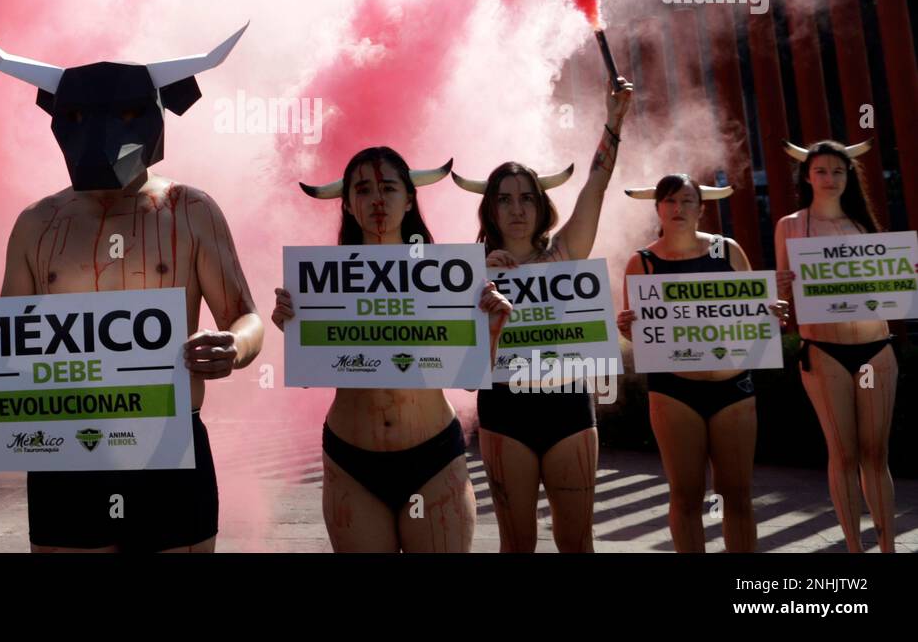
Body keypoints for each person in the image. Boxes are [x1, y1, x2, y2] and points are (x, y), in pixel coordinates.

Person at [0, 20, 264, 553]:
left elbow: (245, 316)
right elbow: (7, 345)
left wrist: (233, 346)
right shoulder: (37, 222)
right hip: (64, 451)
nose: (98, 134)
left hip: (170, 446)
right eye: (74, 117)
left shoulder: (191, 210)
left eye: (124, 114)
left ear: (154, 117)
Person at [273, 146, 514, 553]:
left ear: (409, 198)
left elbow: (472, 381)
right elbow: (312, 373)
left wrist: (490, 332)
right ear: (348, 205)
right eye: (363, 190)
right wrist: (294, 327)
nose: (378, 200)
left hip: (434, 458)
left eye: (388, 187)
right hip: (351, 462)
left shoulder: (447, 275)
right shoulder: (321, 282)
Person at [453, 76, 632, 552]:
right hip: (503, 412)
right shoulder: (467, 273)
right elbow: (466, 374)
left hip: (568, 407)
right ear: (490, 209)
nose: (517, 208)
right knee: (517, 544)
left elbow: (596, 183)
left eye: (527, 197)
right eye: (505, 199)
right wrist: (479, 287)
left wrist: (613, 123)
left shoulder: (565, 254)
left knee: (577, 541)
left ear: (541, 204)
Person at [616, 174, 788, 552]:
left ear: (701, 208)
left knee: (737, 495)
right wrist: (627, 328)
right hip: (673, 391)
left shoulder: (725, 251)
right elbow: (638, 332)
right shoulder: (642, 262)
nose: (678, 209)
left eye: (687, 201)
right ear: (658, 208)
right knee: (686, 495)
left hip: (734, 387)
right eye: (670, 201)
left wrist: (771, 311)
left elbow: (755, 309)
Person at [776, 139, 896, 552]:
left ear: (850, 177)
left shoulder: (863, 224)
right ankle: (853, 548)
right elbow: (783, 297)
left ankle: (889, 548)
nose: (830, 178)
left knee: (875, 454)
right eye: (821, 171)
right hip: (823, 349)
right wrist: (779, 291)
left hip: (876, 347)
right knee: (843, 454)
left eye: (838, 171)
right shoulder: (790, 224)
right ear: (807, 176)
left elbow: (887, 284)